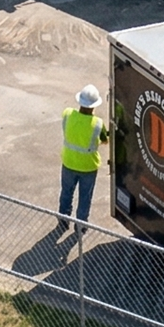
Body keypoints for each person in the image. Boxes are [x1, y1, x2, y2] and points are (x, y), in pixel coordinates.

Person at [58, 84, 107, 225]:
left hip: (68, 162)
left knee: (66, 193)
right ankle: (81, 225)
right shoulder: (97, 124)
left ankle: (63, 220)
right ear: (94, 106)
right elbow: (105, 140)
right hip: (88, 167)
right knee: (85, 198)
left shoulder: (67, 114)